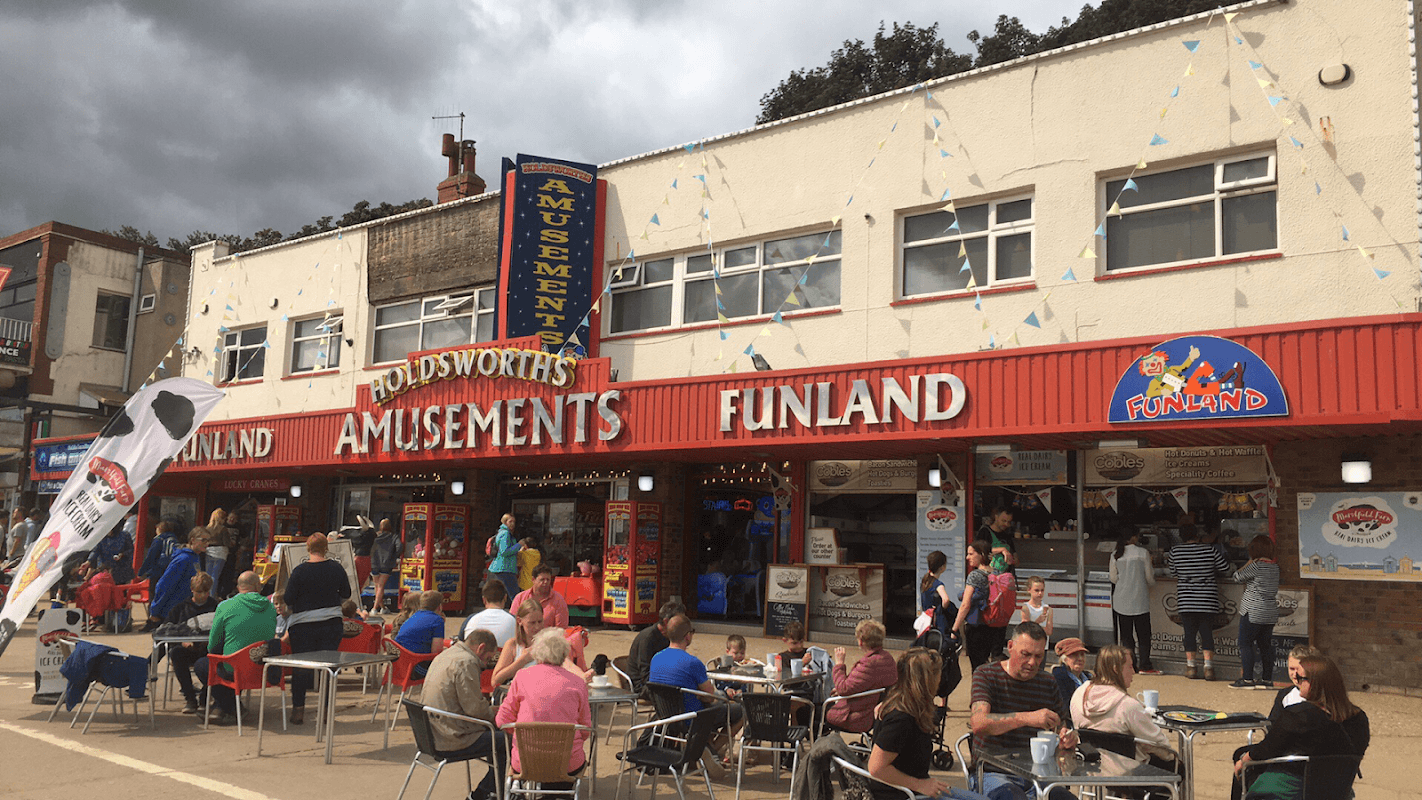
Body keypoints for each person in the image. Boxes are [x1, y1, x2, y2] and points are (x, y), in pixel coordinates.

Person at [1232, 655, 1370, 800]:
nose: (1297, 682)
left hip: (1293, 789)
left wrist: (1243, 760)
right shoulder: (1359, 718)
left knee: (1242, 758)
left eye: (1300, 678)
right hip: (1338, 789)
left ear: (1315, 683)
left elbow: (1267, 749)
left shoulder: (1298, 715)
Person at [969, 621, 1079, 800]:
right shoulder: (986, 674)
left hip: (1037, 773)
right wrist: (1028, 718)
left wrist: (1067, 737)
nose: (1032, 662)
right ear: (1010, 647)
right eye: (1025, 654)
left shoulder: (1047, 681)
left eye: (1038, 656)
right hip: (992, 771)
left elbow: (1061, 725)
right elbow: (979, 724)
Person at [868, 647, 988, 800]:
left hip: (914, 788)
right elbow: (876, 768)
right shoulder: (901, 718)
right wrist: (919, 784)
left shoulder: (903, 702)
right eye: (939, 674)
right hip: (903, 794)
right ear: (927, 680)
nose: (941, 679)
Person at [496, 628, 593, 791]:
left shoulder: (521, 676)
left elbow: (502, 720)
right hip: (568, 763)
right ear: (564, 654)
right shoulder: (578, 683)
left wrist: (524, 734)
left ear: (537, 653)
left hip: (526, 761)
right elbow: (585, 730)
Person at [424, 626, 506, 800]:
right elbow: (475, 709)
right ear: (481, 648)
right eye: (488, 658)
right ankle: (486, 793)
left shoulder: (447, 654)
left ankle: (493, 790)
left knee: (497, 738)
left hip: (432, 733)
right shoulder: (467, 662)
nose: (485, 664)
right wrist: (496, 713)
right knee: (508, 741)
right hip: (452, 737)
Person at [648, 615, 744, 754]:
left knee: (716, 704)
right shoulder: (692, 663)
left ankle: (704, 749)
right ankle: (709, 751)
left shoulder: (656, 659)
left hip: (665, 717)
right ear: (688, 636)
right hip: (693, 718)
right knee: (742, 711)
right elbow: (710, 697)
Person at [282, 532, 351, 725]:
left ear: (308, 548)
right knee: (328, 668)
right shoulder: (336, 569)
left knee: (301, 667)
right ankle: (326, 711)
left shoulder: (299, 571)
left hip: (303, 625)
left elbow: (288, 598)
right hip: (330, 624)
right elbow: (346, 593)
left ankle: (298, 711)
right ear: (326, 548)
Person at [1069, 645, 1174, 766]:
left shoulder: (1078, 695)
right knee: (1177, 765)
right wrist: (1171, 756)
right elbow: (1161, 746)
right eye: (1130, 666)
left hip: (1091, 767)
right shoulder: (1128, 706)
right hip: (1130, 773)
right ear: (1116, 669)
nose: (1134, 671)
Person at [196, 571, 277, 725]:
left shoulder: (225, 606)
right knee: (230, 660)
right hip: (262, 668)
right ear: (258, 587)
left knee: (203, 665)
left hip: (235, 669)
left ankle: (231, 706)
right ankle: (224, 707)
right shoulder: (271, 608)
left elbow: (213, 645)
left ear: (239, 587)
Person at [1165, 524, 1232, 680]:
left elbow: (1173, 571)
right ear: (1197, 535)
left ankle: (1191, 667)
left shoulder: (1175, 551)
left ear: (1181, 536)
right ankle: (1208, 668)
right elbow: (1225, 567)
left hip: (1186, 599)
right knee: (1206, 633)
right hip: (1207, 598)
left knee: (1189, 634)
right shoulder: (1209, 550)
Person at [827, 619, 897, 733]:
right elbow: (867, 684)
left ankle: (820, 747)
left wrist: (839, 664)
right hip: (875, 711)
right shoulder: (888, 659)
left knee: (810, 712)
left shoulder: (868, 664)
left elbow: (844, 689)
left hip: (857, 717)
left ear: (860, 641)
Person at [1231, 535, 1281, 689]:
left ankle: (1247, 680)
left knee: (1245, 644)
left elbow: (1236, 577)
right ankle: (1267, 680)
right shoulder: (1275, 567)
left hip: (1252, 611)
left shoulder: (1256, 566)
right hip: (1269, 612)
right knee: (1265, 646)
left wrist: (1247, 563)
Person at [164, 571, 218, 713]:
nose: (203, 595)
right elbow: (167, 631)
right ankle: (190, 698)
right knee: (176, 654)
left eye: (206, 592)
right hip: (187, 650)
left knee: (218, 657)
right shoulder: (180, 609)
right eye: (199, 592)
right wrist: (181, 642)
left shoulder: (216, 607)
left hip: (208, 650)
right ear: (192, 590)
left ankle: (205, 698)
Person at [1110, 528, 1158, 674]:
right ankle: (1145, 664)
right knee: (1143, 635)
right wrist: (1150, 584)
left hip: (1121, 600)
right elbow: (1149, 578)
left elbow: (1113, 578)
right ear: (1134, 537)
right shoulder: (1143, 553)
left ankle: (1130, 665)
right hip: (1140, 600)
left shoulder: (1115, 554)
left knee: (1126, 636)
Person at [951, 540, 998, 670]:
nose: (967, 557)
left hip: (976, 626)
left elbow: (965, 605)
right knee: (988, 664)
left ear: (981, 554)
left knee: (977, 667)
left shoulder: (975, 575)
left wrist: (954, 629)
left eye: (971, 554)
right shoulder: (997, 573)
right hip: (994, 625)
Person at [149, 530, 211, 624]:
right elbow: (164, 584)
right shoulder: (183, 559)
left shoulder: (195, 558)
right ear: (193, 540)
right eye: (203, 540)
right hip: (173, 612)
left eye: (208, 541)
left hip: (187, 609)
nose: (207, 544)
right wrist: (155, 611)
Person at [627, 600, 684, 696]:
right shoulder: (647, 639)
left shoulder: (669, 636)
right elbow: (645, 674)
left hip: (660, 680)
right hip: (642, 686)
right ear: (666, 622)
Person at [490, 597, 547, 686]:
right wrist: (522, 660)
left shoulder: (549, 645)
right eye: (532, 623)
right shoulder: (512, 645)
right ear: (519, 621)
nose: (537, 627)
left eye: (540, 622)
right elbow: (495, 681)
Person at [393, 590, 447, 677]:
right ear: (439, 607)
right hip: (416, 668)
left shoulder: (413, 616)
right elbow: (436, 652)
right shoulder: (437, 620)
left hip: (399, 666)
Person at [511, 564, 569, 629]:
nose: (545, 582)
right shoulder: (520, 598)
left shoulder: (558, 600)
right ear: (533, 579)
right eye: (542, 580)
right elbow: (513, 622)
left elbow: (561, 629)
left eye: (548, 579)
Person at [463, 579, 517, 646]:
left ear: (484, 599)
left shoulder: (470, 619)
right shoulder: (514, 621)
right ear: (505, 598)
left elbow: (461, 643)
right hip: (504, 655)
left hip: (474, 655)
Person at [1051, 637, 1093, 711]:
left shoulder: (1089, 677)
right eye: (1074, 655)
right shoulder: (1059, 678)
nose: (1080, 658)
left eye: (1082, 655)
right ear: (1064, 659)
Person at [919, 550, 955, 634]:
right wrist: (942, 609)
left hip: (926, 619)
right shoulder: (938, 584)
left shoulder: (925, 581)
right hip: (937, 621)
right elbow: (946, 600)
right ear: (942, 567)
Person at [369, 518, 400, 613]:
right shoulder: (393, 537)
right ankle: (374, 608)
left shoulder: (375, 536)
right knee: (381, 586)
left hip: (374, 562)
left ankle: (383, 608)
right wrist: (394, 557)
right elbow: (399, 547)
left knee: (376, 585)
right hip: (386, 563)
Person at [487, 513, 521, 601]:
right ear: (505, 522)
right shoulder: (505, 534)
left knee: (496, 596)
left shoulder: (502, 532)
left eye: (514, 522)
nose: (512, 524)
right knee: (515, 596)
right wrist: (519, 545)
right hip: (505, 568)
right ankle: (518, 614)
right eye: (510, 521)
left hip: (500, 568)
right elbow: (504, 551)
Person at [203, 508, 236, 596]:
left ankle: (205, 594)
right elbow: (226, 543)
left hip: (209, 551)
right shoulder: (223, 529)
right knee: (215, 576)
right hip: (220, 553)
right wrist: (232, 543)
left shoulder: (207, 528)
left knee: (208, 575)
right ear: (221, 519)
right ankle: (212, 595)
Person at [139, 520, 180, 585]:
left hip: (157, 571)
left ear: (159, 529)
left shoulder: (159, 539)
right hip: (171, 571)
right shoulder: (174, 539)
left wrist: (141, 572)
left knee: (154, 592)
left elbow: (151, 556)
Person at [979, 507, 1017, 576]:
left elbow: (1016, 559)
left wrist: (1011, 560)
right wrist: (1002, 549)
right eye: (1003, 521)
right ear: (996, 517)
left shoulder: (1007, 536)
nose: (1006, 524)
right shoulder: (984, 532)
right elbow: (978, 550)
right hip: (988, 575)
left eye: (1009, 522)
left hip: (1004, 577)